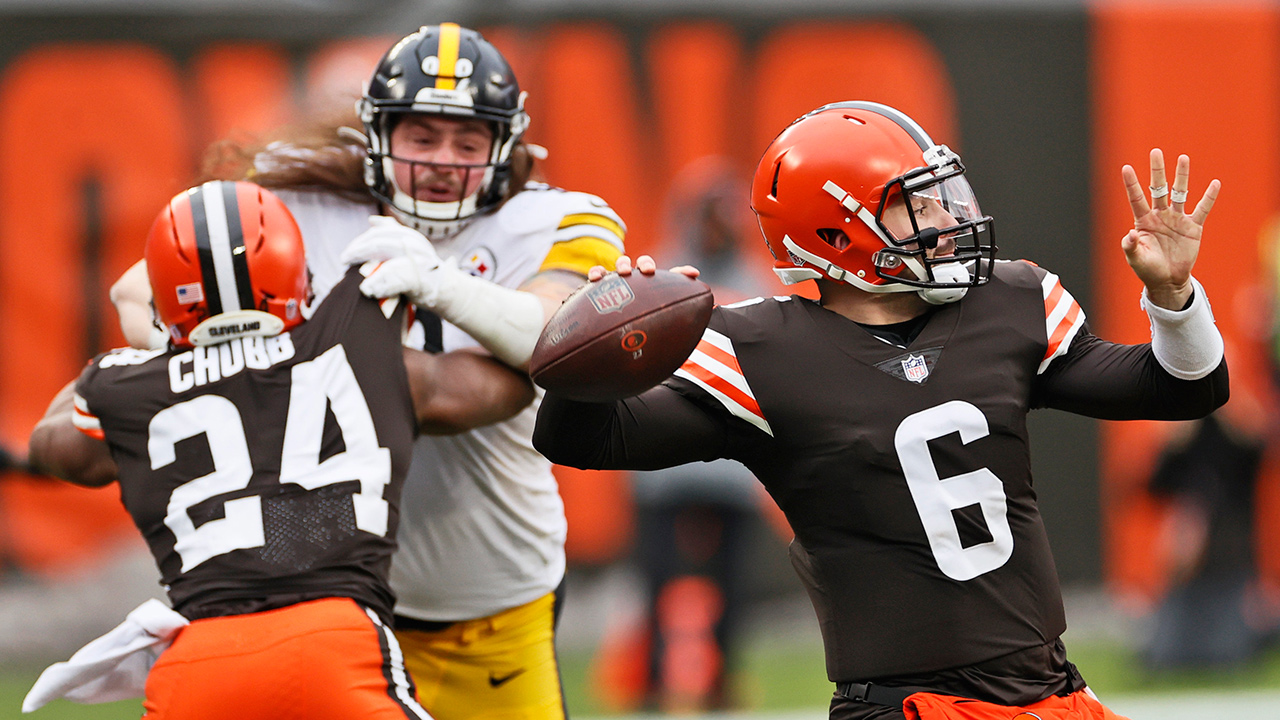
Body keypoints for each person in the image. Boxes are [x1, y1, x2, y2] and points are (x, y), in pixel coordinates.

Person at [529, 101, 1229, 720]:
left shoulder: (1009, 303)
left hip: (1049, 691)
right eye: (915, 204)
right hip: (902, 706)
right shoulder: (761, 348)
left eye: (943, 196)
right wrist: (591, 352)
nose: (947, 218)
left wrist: (1172, 298)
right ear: (836, 235)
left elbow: (1182, 388)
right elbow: (587, 439)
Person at [110, 23, 625, 720]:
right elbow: (139, 294)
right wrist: (236, 366)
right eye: (422, 136)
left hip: (491, 600)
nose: (444, 160)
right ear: (380, 135)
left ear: (504, 150)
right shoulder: (303, 202)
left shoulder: (557, 220)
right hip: (329, 602)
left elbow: (555, 330)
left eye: (468, 142)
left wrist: (442, 286)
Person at [25, 181, 533, 718]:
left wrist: (163, 354)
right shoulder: (358, 335)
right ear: (297, 270)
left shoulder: (124, 387)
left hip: (197, 666)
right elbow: (510, 386)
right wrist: (449, 290)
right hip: (333, 644)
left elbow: (52, 447)